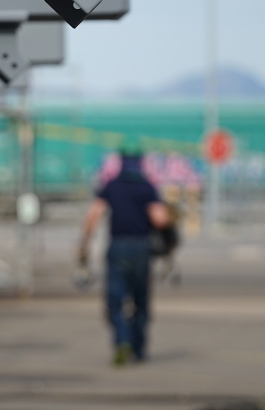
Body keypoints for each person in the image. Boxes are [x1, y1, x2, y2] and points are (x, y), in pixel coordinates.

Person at [79, 148, 171, 366]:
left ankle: (122, 342)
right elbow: (160, 219)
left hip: (118, 246)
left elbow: (94, 214)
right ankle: (138, 348)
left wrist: (84, 243)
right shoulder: (147, 187)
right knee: (140, 300)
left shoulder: (111, 186)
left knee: (116, 300)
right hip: (142, 247)